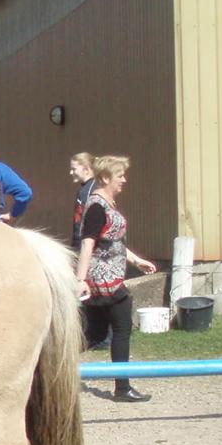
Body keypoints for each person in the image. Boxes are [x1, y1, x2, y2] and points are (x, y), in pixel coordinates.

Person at [75, 155, 157, 403]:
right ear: (106, 177)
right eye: (120, 175)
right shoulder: (97, 206)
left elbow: (114, 241)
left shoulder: (107, 204)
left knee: (96, 333)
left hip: (109, 274)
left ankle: (49, 363)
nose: (124, 180)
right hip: (104, 279)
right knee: (122, 326)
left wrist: (136, 260)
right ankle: (122, 387)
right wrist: (80, 280)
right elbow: (88, 243)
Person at [69, 151, 97, 249]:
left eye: (74, 169)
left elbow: (85, 222)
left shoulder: (90, 190)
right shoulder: (85, 189)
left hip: (86, 247)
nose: (71, 172)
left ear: (86, 169)